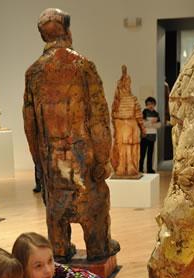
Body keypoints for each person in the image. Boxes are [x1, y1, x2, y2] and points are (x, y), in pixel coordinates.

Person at [23, 8, 120, 262]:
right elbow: (99, 118)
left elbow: (29, 123)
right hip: (82, 155)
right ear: (67, 30)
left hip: (50, 158)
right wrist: (103, 158)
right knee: (94, 201)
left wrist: (38, 160)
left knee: (55, 204)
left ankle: (60, 247)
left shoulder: (33, 72)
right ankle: (98, 247)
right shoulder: (83, 66)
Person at [139, 97, 161, 174]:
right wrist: (152, 122)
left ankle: (149, 169)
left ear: (154, 104)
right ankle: (140, 168)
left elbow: (159, 125)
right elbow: (143, 124)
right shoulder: (144, 112)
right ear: (146, 105)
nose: (150, 106)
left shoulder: (156, 114)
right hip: (145, 136)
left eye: (152, 104)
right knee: (142, 153)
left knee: (150, 154)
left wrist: (149, 123)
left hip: (152, 136)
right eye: (148, 104)